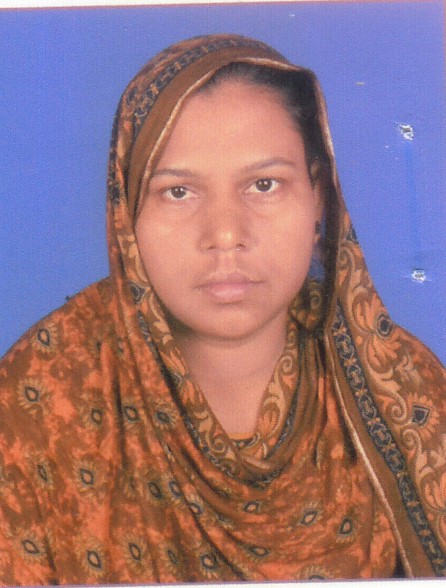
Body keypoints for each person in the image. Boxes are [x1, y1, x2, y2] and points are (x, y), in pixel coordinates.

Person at [0, 33, 444, 585]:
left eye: (264, 184)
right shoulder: (36, 402)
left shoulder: (409, 390)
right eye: (178, 192)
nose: (226, 234)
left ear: (319, 198)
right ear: (126, 214)